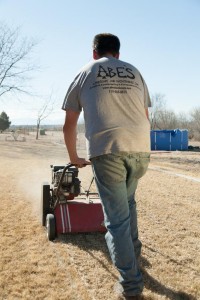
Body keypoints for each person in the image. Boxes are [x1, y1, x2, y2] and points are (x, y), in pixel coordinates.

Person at [62, 33, 151, 300]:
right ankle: (133, 259)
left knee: (116, 221)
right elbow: (145, 116)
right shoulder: (134, 71)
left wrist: (74, 157)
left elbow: (69, 123)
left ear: (94, 52)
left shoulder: (86, 71)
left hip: (107, 150)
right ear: (118, 53)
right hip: (140, 149)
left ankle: (131, 286)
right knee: (129, 204)